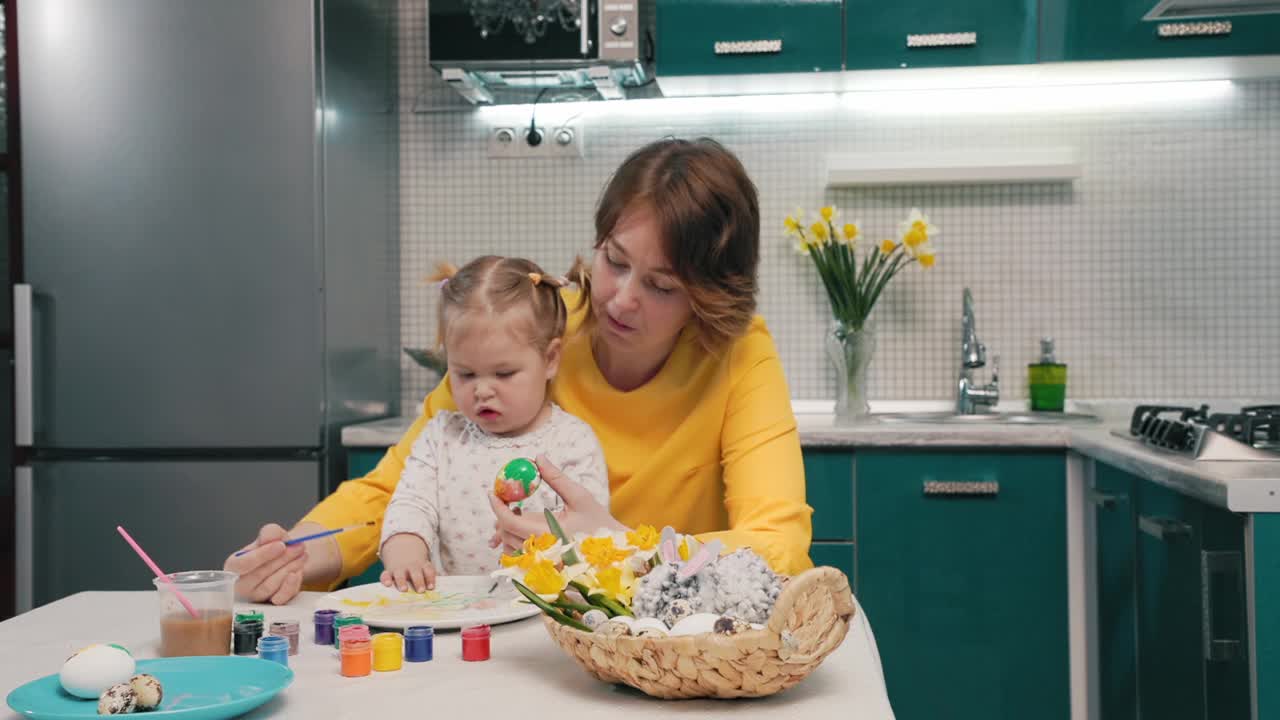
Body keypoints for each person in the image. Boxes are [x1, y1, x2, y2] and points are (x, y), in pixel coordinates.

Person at [225, 137, 814, 605]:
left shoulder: (738, 353)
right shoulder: (536, 333)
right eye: (614, 261)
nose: (620, 299)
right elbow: (392, 490)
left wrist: (614, 548)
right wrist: (297, 555)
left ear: (709, 298)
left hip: (665, 646)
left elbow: (777, 544)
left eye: (661, 286)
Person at [378, 256, 609, 592]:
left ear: (550, 360)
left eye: (504, 374)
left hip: (546, 616)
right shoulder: (442, 436)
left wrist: (548, 547)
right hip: (459, 612)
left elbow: (593, 538)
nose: (482, 390)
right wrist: (406, 554)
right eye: (465, 373)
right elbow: (412, 504)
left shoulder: (572, 442)